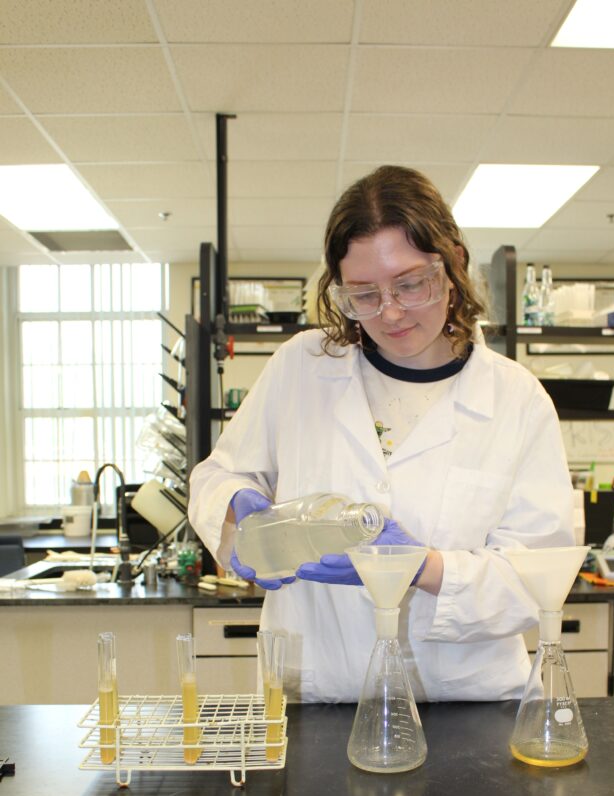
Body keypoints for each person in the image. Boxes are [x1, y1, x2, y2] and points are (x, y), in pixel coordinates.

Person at [189, 165, 575, 702]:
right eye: (363, 294)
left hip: (464, 704)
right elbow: (218, 473)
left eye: (411, 283)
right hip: (315, 695)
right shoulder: (301, 368)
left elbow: (538, 581)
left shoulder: (517, 399)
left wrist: (424, 567)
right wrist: (237, 505)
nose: (390, 312)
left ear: (454, 264)